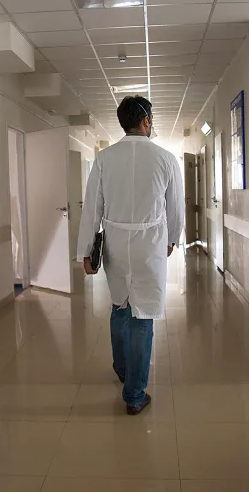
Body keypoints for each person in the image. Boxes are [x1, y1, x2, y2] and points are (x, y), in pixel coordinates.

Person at [77, 96, 184, 415]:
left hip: (115, 243)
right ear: (147, 121)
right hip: (149, 244)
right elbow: (175, 209)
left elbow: (91, 209)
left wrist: (85, 250)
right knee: (144, 315)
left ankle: (123, 369)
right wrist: (172, 240)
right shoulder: (165, 158)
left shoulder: (104, 158)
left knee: (120, 304)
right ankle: (134, 394)